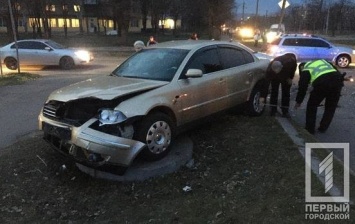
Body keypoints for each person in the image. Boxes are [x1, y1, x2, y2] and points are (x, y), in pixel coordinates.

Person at [294, 59, 345, 134]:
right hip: (337, 81)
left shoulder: (306, 68)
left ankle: (310, 129)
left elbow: (302, 87)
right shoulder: (323, 62)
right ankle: (323, 128)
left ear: (301, 68)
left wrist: (299, 101)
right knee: (330, 107)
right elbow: (336, 71)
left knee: (312, 105)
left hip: (322, 84)